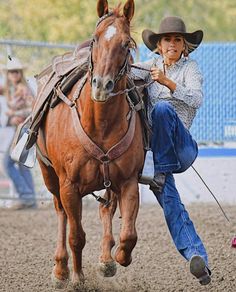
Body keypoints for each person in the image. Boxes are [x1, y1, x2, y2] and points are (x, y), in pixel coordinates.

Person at [131, 16, 211, 285]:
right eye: (168, 39)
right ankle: (197, 258)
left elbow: (197, 99)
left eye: (178, 39)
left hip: (183, 147)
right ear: (159, 45)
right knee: (171, 203)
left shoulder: (191, 69)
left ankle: (159, 171)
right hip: (156, 156)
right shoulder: (149, 67)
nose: (172, 43)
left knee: (163, 108)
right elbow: (125, 70)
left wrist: (167, 83)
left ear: (184, 44)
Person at [0, 57, 36, 210]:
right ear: (7, 74)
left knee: (7, 163)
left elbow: (32, 109)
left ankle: (26, 196)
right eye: (11, 72)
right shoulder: (13, 89)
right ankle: (31, 199)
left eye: (16, 72)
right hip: (21, 129)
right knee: (22, 165)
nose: (14, 74)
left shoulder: (24, 88)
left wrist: (15, 113)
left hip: (24, 129)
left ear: (20, 73)